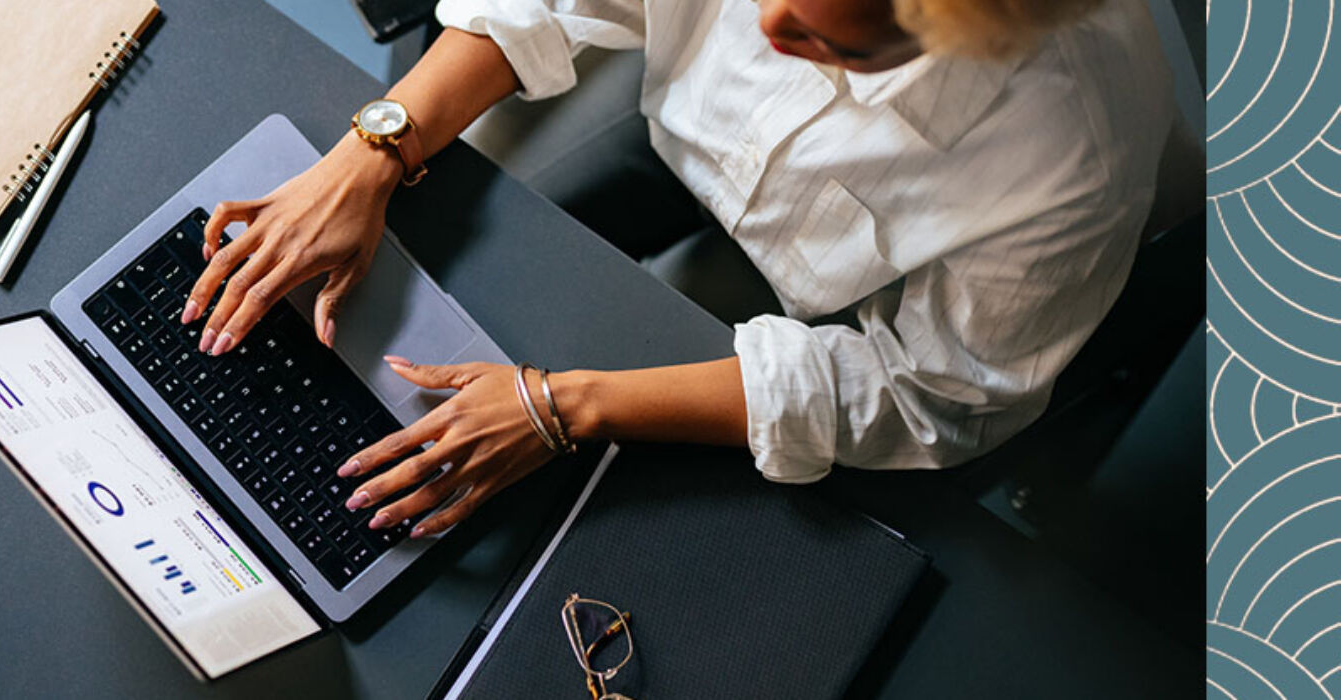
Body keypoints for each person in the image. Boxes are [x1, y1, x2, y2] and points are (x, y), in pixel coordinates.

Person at [181, 0, 1174, 538]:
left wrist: (566, 404)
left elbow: (932, 395)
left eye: (823, 38)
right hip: (666, 118)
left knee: (573, 498)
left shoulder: (1070, 155)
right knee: (442, 271)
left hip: (834, 302)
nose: (766, 26)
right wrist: (374, 151)